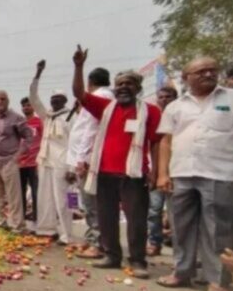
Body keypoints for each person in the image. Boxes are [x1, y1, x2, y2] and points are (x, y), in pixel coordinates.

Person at [72, 45, 162, 279]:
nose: (123, 88)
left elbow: (155, 143)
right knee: (107, 216)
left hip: (134, 174)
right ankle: (112, 255)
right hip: (104, 172)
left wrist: (157, 171)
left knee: (136, 220)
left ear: (138, 88)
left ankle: (138, 261)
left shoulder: (150, 111)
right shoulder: (105, 107)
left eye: (128, 84)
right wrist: (79, 67)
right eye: (119, 84)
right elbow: (80, 93)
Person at [156, 56, 233, 291]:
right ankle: (182, 272)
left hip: (221, 173)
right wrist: (162, 173)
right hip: (182, 173)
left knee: (218, 230)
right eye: (200, 71)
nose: (207, 74)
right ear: (186, 77)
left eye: (212, 70)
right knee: (181, 225)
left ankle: (217, 280)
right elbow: (166, 141)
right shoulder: (176, 106)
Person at [30, 60, 76, 245]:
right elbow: (33, 98)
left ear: (65, 101)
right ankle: (46, 229)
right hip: (45, 161)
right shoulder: (47, 115)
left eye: (58, 100)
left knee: (63, 200)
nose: (54, 102)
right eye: (52, 100)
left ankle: (66, 235)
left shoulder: (71, 116)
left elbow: (75, 143)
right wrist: (38, 74)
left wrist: (72, 167)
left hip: (62, 163)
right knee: (44, 198)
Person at [69, 67, 114, 259]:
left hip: (88, 160)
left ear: (89, 82)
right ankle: (93, 238)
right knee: (90, 204)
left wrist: (82, 159)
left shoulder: (99, 98)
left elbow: (91, 130)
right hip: (88, 158)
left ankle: (98, 243)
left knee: (92, 203)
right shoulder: (106, 97)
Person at [0, 90, 33, 232]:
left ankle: (18, 225)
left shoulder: (16, 118)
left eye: (2, 99)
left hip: (9, 161)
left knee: (13, 196)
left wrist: (18, 155)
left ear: (8, 101)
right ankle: (0, 222)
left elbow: (28, 137)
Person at [146, 86, 178, 256]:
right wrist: (154, 172)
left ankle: (179, 247)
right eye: (161, 96)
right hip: (156, 172)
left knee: (176, 213)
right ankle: (154, 242)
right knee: (154, 210)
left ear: (175, 98)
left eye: (169, 96)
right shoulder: (153, 117)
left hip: (177, 172)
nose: (164, 99)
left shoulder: (179, 116)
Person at [18, 97, 42, 221]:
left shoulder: (39, 122)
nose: (26, 107)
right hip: (20, 163)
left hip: (34, 162)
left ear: (33, 107)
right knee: (20, 192)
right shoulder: (19, 123)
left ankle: (37, 217)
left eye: (28, 105)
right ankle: (21, 218)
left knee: (36, 191)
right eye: (24, 106)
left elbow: (44, 140)